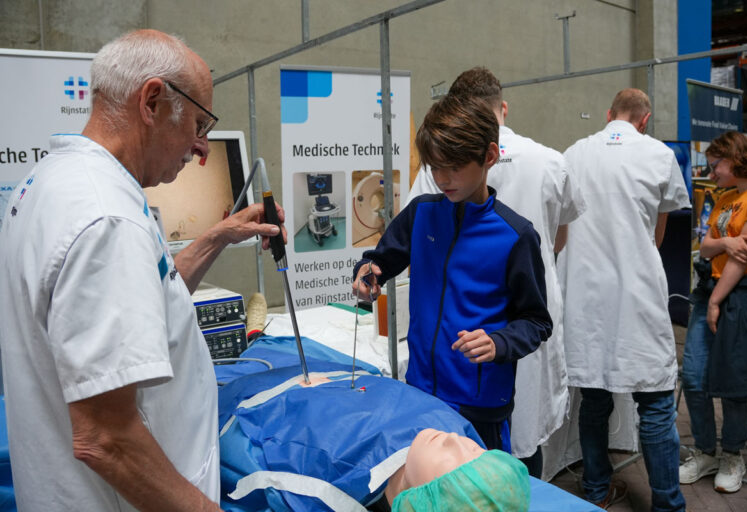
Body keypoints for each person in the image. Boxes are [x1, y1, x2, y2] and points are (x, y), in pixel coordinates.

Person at [0, 30, 285, 511]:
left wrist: (218, 235)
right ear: (152, 101)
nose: (202, 150)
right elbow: (106, 438)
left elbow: (150, 293)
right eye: (198, 124)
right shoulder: (106, 218)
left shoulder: (51, 182)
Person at [406, 66, 585, 478]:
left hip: (475, 336)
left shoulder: (435, 174)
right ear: (503, 106)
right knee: (519, 445)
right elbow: (559, 241)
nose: (445, 176)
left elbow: (422, 250)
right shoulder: (551, 162)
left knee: (472, 452)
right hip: (498, 335)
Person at [352, 94, 552, 454]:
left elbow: (536, 322)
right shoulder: (421, 214)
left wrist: (498, 342)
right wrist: (368, 273)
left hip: (479, 406)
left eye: (454, 168)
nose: (442, 179)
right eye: (434, 168)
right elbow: (380, 260)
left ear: (489, 156)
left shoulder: (515, 236)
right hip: (419, 393)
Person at [557, 88, 690, 510]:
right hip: (637, 297)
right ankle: (668, 504)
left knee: (594, 400)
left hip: (584, 298)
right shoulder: (658, 155)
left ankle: (596, 490)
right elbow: (658, 234)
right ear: (645, 120)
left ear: (607, 113)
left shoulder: (574, 154)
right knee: (654, 404)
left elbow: (562, 228)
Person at [217, 361, 531, 512]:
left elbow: (236, 450)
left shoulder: (319, 486)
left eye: (457, 463)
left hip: (253, 398)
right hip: (330, 370)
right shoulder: (451, 426)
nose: (455, 441)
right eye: (477, 449)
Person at [679, 131, 747, 493]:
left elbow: (742, 257)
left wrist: (716, 300)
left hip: (742, 299)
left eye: (716, 165)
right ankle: (705, 451)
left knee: (735, 382)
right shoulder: (726, 197)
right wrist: (725, 242)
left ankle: (732, 454)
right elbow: (706, 247)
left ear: (735, 158)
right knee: (695, 376)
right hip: (708, 291)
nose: (711, 172)